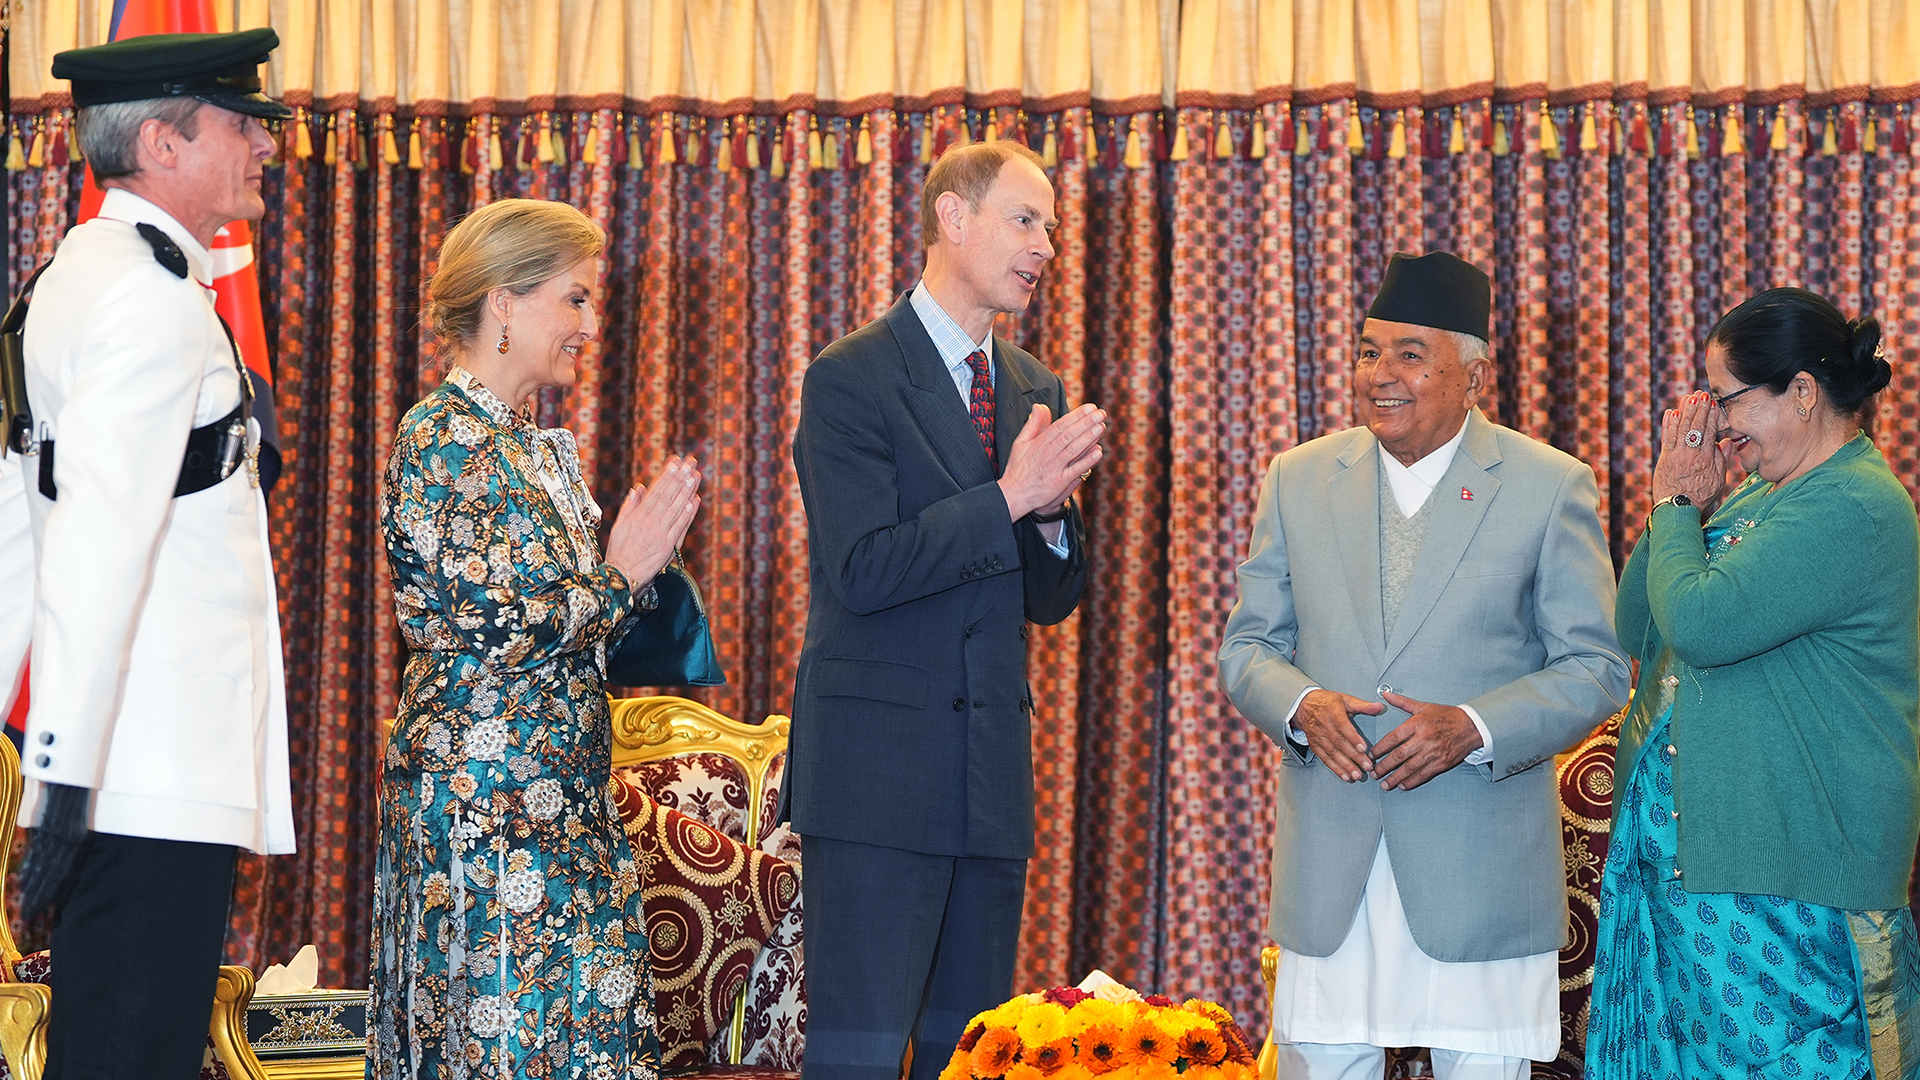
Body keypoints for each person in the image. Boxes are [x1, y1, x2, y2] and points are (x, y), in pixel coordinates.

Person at [1218, 251, 1631, 1080]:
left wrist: (1474, 728)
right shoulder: (1298, 478)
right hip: (1331, 868)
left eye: (1411, 354)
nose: (1381, 375)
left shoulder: (1549, 485)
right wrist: (1301, 706)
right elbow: (1247, 649)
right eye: (1369, 352)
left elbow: (1596, 666)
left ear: (1473, 375)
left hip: (1480, 868)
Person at [0, 28, 296, 1079]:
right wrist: (63, 780)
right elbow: (94, 540)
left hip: (124, 768)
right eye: (241, 124)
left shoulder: (75, 276)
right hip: (151, 771)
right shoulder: (148, 302)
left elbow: (22, 515)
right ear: (163, 145)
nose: (266, 145)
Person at [788, 140, 1106, 1080]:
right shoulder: (850, 375)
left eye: (1052, 227)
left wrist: (1047, 516)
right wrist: (1010, 498)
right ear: (952, 218)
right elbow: (862, 569)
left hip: (989, 783)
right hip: (876, 783)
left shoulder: (1033, 386)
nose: (1046, 245)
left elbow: (1050, 599)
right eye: (1026, 219)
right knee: (856, 1060)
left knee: (967, 1060)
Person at [369, 198, 699, 1080]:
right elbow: (500, 623)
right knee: (503, 1046)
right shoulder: (442, 436)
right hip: (484, 808)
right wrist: (619, 575)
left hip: (565, 800)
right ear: (504, 302)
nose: (591, 324)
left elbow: (577, 625)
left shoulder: (532, 447)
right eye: (576, 298)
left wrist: (644, 579)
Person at [1586, 287, 1920, 1080]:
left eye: (1729, 398)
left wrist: (1676, 504)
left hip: (1788, 868)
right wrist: (1681, 506)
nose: (1721, 424)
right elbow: (1638, 625)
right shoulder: (1762, 495)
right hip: (1707, 858)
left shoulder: (1852, 503)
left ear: (1801, 392)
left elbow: (1702, 624)